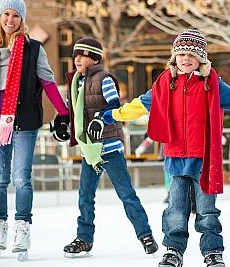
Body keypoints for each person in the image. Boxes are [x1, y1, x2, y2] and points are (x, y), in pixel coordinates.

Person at [102, 29, 230, 267]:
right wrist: (117, 114)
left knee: (207, 210)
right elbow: (140, 104)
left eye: (191, 54)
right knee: (176, 210)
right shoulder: (164, 85)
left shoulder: (212, 85)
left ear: (201, 58)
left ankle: (212, 251)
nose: (186, 59)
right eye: (181, 54)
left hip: (204, 158)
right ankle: (173, 250)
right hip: (176, 157)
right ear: (174, 58)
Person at [0, 0, 70, 261]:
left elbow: (48, 83)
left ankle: (23, 228)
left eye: (16, 15)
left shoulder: (34, 49)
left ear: (22, 20)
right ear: (0, 17)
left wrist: (63, 113)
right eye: (6, 14)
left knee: (22, 178)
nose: (11, 20)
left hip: (24, 122)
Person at [62, 37, 158, 258]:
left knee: (126, 194)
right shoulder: (76, 81)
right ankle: (84, 239)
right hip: (90, 149)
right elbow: (74, 111)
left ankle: (145, 235)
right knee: (85, 195)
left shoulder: (103, 78)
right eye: (75, 55)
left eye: (83, 55)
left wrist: (100, 118)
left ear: (95, 58)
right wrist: (61, 121)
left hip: (110, 146)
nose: (77, 59)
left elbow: (114, 104)